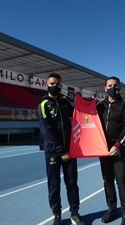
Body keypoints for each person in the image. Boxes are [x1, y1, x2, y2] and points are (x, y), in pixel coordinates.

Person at [37, 73, 86, 225]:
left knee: (72, 183)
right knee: (54, 185)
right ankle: (57, 215)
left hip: (70, 151)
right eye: (52, 83)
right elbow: (47, 132)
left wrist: (87, 105)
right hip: (54, 152)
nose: (55, 86)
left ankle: (74, 213)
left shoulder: (64, 101)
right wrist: (61, 151)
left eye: (58, 84)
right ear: (46, 85)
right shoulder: (44, 104)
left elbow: (77, 115)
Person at [96, 76, 125, 225]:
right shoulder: (99, 105)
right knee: (107, 181)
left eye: (115, 85)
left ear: (120, 87)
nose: (113, 88)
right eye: (110, 85)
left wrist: (118, 145)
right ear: (105, 88)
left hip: (119, 150)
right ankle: (111, 209)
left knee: (122, 182)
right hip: (103, 149)